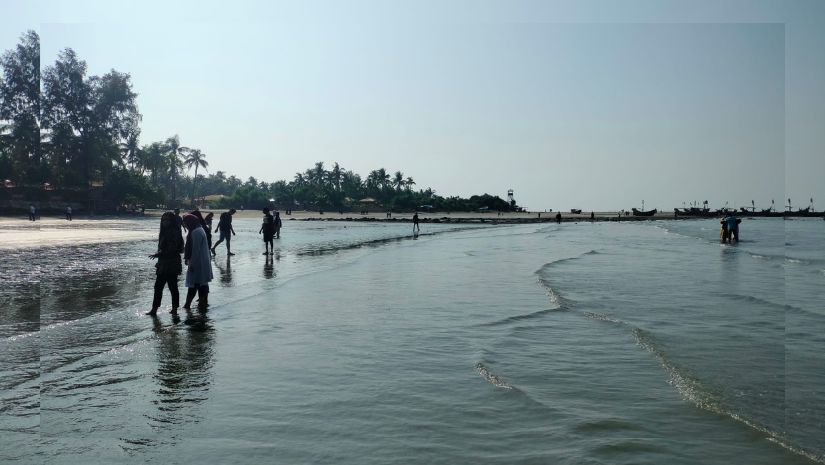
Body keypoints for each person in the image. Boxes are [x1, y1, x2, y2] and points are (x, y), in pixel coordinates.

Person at [147, 212, 184, 315]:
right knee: (158, 287)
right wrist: (159, 255)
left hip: (172, 263)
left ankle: (175, 309)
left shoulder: (174, 232)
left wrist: (158, 254)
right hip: (163, 263)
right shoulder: (164, 232)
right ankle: (154, 309)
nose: (165, 222)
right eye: (163, 220)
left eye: (167, 220)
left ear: (172, 221)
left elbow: (172, 249)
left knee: (173, 287)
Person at [182, 214, 213, 309]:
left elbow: (195, 250)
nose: (186, 226)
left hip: (198, 262)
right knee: (202, 283)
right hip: (203, 260)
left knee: (194, 284)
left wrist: (191, 263)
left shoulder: (195, 232)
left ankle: (188, 305)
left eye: (186, 224)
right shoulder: (200, 229)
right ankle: (202, 304)